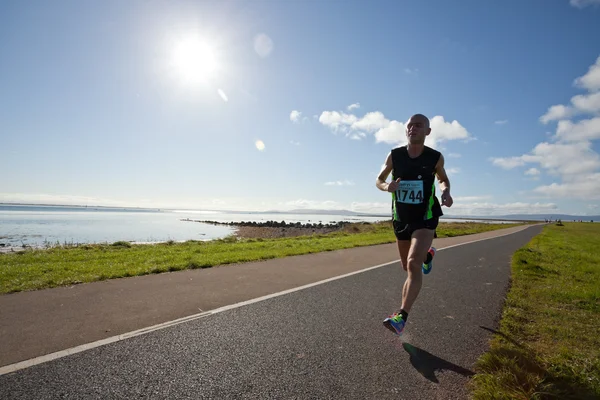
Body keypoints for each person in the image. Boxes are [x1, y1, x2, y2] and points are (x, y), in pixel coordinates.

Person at [375, 113, 453, 335]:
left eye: (418, 125)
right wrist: (386, 187)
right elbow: (379, 179)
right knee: (407, 266)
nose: (413, 128)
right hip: (401, 217)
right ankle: (428, 256)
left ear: (428, 131)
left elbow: (442, 179)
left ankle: (401, 316)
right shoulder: (395, 155)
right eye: (410, 125)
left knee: (412, 264)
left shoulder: (435, 157)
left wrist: (446, 191)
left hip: (425, 216)